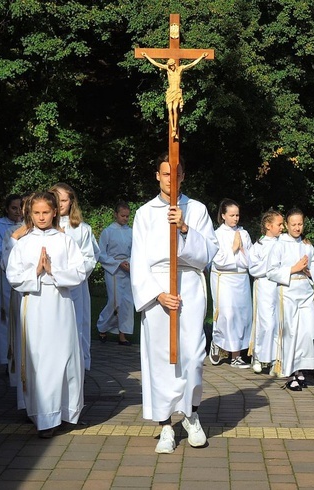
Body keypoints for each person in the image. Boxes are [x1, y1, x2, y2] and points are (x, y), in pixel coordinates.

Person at [130, 153, 219, 453]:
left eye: (176, 173)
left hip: (189, 286)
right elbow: (139, 260)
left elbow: (207, 254)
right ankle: (166, 424)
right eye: (165, 173)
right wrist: (156, 294)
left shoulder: (197, 209)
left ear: (183, 175)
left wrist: (184, 229)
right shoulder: (144, 213)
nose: (171, 178)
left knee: (192, 355)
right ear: (157, 176)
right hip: (158, 289)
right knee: (161, 359)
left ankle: (191, 415)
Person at [6, 191, 86, 439]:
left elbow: (79, 272)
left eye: (46, 212)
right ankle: (44, 416)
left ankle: (64, 410)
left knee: (63, 356)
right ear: (29, 213)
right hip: (36, 306)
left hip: (61, 305)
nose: (41, 217)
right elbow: (13, 276)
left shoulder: (65, 241)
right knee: (40, 359)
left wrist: (54, 271)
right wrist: (36, 274)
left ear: (55, 213)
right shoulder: (24, 243)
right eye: (36, 213)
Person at [266, 208, 314, 391]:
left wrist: (309, 271)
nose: (297, 228)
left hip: (305, 292)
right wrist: (293, 268)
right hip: (288, 292)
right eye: (294, 224)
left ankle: (302, 368)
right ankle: (292, 373)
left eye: (300, 224)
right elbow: (271, 271)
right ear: (287, 225)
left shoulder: (307, 245)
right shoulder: (279, 244)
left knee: (308, 332)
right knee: (290, 333)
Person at [49, 183, 99, 371]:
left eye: (64, 200)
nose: (60, 204)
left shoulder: (81, 229)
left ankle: (79, 365)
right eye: (56, 200)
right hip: (51, 285)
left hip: (76, 285)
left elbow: (90, 258)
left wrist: (72, 275)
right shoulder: (44, 226)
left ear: (71, 202)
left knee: (78, 324)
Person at [209, 198, 253, 368]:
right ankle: (217, 342)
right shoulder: (217, 234)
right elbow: (218, 259)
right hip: (224, 279)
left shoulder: (244, 233)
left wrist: (241, 251)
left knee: (241, 316)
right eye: (232, 215)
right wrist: (234, 249)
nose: (235, 218)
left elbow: (249, 260)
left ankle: (236, 355)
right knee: (226, 314)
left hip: (240, 279)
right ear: (223, 215)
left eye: (237, 215)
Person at [247, 209, 285, 374]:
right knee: (265, 322)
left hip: (279, 286)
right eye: (279, 224)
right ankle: (258, 355)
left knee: (278, 322)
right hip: (263, 285)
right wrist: (271, 268)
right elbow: (253, 268)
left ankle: (275, 359)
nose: (282, 227)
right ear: (269, 226)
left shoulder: (283, 243)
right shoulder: (259, 245)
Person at [141, 51, 208, 138]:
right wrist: (147, 56)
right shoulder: (168, 69)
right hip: (170, 92)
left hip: (176, 92)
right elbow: (156, 63)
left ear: (174, 64)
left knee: (175, 108)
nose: (171, 67)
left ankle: (175, 128)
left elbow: (191, 64)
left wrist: (201, 57)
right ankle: (173, 128)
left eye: (172, 65)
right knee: (169, 109)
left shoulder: (180, 69)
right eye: (170, 66)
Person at [0, 194, 23, 369]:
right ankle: (6, 358)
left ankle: (22, 356)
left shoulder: (28, 224)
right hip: (3, 274)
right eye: (13, 208)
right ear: (6, 209)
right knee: (3, 315)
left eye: (20, 208)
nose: (18, 212)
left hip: (23, 276)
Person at [96, 201, 134, 345]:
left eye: (127, 216)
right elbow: (101, 253)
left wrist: (129, 263)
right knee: (115, 301)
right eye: (122, 216)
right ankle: (102, 327)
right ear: (116, 215)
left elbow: (135, 251)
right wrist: (118, 263)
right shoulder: (108, 231)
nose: (125, 218)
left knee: (127, 302)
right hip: (113, 270)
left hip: (128, 269)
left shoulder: (131, 232)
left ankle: (122, 335)